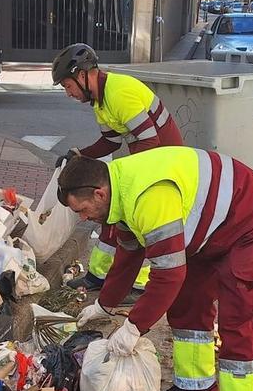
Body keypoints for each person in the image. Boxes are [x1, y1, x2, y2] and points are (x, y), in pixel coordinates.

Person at [59, 147, 253, 391]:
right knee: (187, 305)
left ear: (99, 193)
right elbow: (129, 254)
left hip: (248, 220)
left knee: (239, 319)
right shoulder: (119, 194)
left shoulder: (148, 197)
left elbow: (167, 276)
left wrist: (134, 327)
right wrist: (105, 305)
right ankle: (197, 390)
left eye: (83, 210)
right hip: (209, 230)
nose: (84, 218)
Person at [50, 43, 184, 296]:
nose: (68, 93)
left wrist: (122, 176)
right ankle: (99, 277)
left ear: (81, 75)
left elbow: (149, 139)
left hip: (163, 163)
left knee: (136, 224)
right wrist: (80, 155)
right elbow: (110, 141)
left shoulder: (118, 91)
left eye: (67, 86)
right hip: (148, 161)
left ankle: (138, 283)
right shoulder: (100, 101)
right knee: (112, 217)